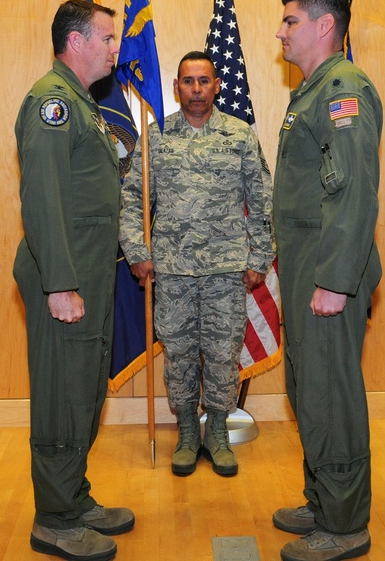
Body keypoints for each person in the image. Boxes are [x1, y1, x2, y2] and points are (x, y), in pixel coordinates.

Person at [13, 0, 135, 561]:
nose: (116, 47)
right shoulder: (52, 103)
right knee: (64, 395)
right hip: (62, 277)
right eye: (108, 37)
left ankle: (73, 497)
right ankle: (54, 520)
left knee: (84, 389)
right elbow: (42, 198)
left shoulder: (81, 104)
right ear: (77, 40)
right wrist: (59, 284)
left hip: (87, 274)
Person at [119, 51, 274, 477]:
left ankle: (218, 433)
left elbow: (262, 199)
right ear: (176, 87)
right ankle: (188, 432)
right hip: (172, 270)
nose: (196, 90)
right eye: (188, 81)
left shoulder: (239, 135)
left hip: (227, 269)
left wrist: (260, 256)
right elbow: (133, 199)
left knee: (223, 354)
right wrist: (138, 252)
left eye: (204, 81)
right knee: (181, 354)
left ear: (217, 85)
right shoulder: (157, 137)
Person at [270, 0, 382, 561]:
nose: (281, 32)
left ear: (323, 26)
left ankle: (345, 526)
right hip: (305, 263)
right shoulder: (311, 92)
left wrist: (336, 280)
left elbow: (355, 194)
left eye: (290, 21)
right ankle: (322, 499)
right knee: (308, 386)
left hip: (327, 265)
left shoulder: (343, 90)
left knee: (330, 392)